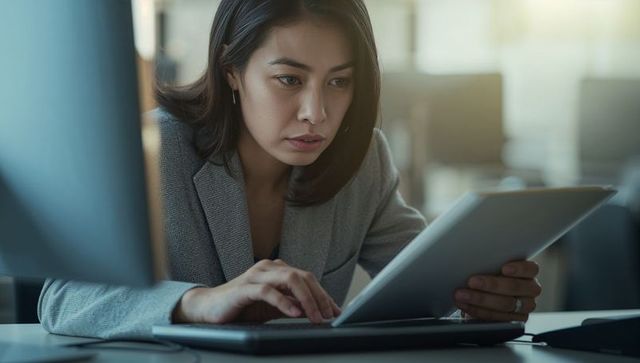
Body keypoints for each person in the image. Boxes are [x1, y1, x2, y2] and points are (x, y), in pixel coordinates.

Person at [38, 0, 542, 339]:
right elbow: (61, 299)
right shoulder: (156, 150)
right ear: (231, 70)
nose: (315, 113)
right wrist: (199, 302)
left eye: (338, 83)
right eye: (288, 79)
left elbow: (426, 278)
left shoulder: (363, 159)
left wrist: (476, 300)